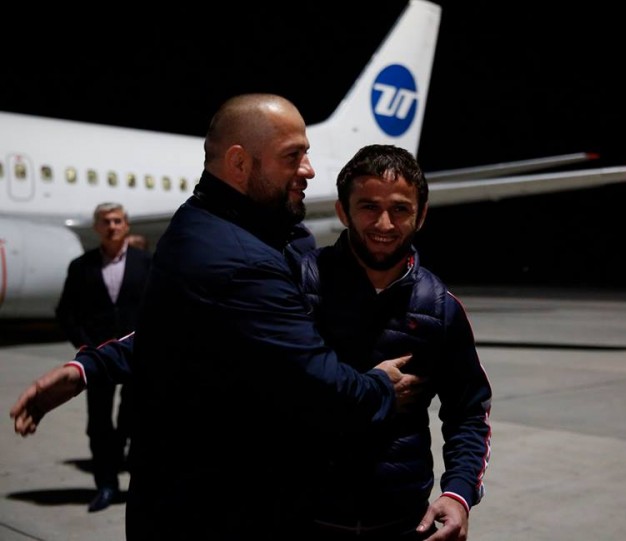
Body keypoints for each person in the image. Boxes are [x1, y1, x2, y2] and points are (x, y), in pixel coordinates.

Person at [11, 94, 419, 541]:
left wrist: (91, 365)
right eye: (293, 156)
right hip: (222, 508)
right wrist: (382, 387)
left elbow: (186, 330)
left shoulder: (220, 225)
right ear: (239, 163)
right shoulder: (241, 258)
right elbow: (321, 388)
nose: (309, 170)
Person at [296, 144, 491, 540]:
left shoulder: (440, 307)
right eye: (369, 207)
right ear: (342, 211)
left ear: (421, 216)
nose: (384, 223)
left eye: (400, 209)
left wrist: (458, 493)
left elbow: (469, 412)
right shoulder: (297, 285)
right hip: (302, 514)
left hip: (400, 521)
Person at [54, 202, 151, 512]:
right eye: (106, 221)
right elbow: (66, 312)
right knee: (98, 423)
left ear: (126, 225)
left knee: (133, 417)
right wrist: (84, 347)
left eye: (118, 221)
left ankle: (128, 468)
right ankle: (106, 485)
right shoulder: (82, 266)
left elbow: (157, 307)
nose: (112, 226)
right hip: (97, 358)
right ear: (97, 227)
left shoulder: (145, 263)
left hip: (136, 356)